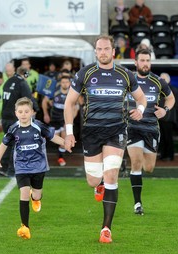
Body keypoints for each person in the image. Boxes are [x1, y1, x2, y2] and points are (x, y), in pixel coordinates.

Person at [63, 35, 147, 243]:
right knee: (93, 179)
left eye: (106, 49)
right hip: (91, 132)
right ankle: (98, 183)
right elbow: (69, 103)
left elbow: (141, 98)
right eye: (99, 49)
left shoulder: (125, 74)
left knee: (112, 177)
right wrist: (69, 132)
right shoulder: (85, 73)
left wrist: (141, 110)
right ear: (95, 52)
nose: (103, 52)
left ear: (113, 51)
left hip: (116, 131)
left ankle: (106, 229)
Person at [0, 97, 67, 239]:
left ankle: (36, 198)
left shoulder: (39, 126)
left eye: (26, 111)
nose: (23, 114)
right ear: (16, 113)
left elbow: (53, 137)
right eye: (20, 111)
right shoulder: (13, 128)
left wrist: (66, 143)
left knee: (36, 194)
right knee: (24, 193)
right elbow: (3, 145)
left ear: (32, 112)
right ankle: (25, 227)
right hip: (21, 167)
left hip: (39, 167)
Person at [127, 50, 175, 215]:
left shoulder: (158, 81)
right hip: (132, 127)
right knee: (136, 163)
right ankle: (137, 203)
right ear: (136, 62)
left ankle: (135, 172)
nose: (145, 63)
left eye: (148, 60)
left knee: (149, 168)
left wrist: (165, 110)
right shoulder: (128, 79)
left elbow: (171, 98)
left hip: (151, 128)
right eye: (142, 60)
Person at [0, 63, 39, 177]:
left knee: (7, 143)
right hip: (14, 118)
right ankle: (12, 170)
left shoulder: (7, 81)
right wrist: (35, 108)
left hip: (5, 117)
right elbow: (28, 99)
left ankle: (3, 167)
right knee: (17, 144)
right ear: (25, 74)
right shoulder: (22, 83)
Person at [42, 74, 78, 166]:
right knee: (54, 138)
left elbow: (75, 109)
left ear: (69, 83)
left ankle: (60, 157)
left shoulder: (72, 93)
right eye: (63, 82)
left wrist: (69, 122)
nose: (65, 84)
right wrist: (46, 114)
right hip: (55, 120)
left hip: (65, 121)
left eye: (66, 82)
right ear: (60, 83)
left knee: (64, 140)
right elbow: (44, 101)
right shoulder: (54, 91)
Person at [158, 73, 178, 161]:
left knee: (168, 137)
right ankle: (163, 155)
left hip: (169, 118)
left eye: (163, 79)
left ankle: (170, 155)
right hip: (160, 118)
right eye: (160, 78)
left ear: (168, 80)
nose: (161, 80)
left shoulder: (173, 90)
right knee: (162, 137)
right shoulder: (158, 90)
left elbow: (176, 105)